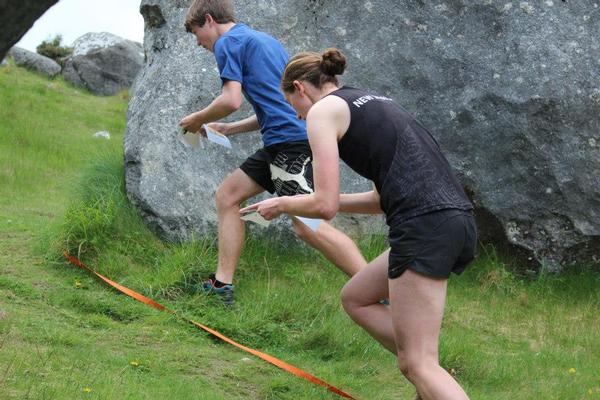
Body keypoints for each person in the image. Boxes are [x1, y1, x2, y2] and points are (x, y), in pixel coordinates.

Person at [240, 48, 477, 400]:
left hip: (424, 226)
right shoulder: (370, 101)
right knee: (357, 297)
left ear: (299, 88)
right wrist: (298, 207)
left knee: (417, 365)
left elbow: (324, 203)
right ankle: (427, 366)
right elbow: (378, 201)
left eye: (294, 107)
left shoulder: (322, 111)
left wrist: (282, 202)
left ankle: (425, 364)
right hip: (455, 221)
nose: (300, 117)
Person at [179, 1, 366, 304]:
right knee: (227, 196)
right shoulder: (265, 41)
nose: (199, 43)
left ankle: (378, 291)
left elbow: (231, 99)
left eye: (197, 34)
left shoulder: (228, 43)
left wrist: (197, 119)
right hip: (283, 141)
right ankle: (221, 286)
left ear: (210, 20)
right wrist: (228, 129)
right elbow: (279, 107)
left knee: (307, 225)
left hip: (289, 143)